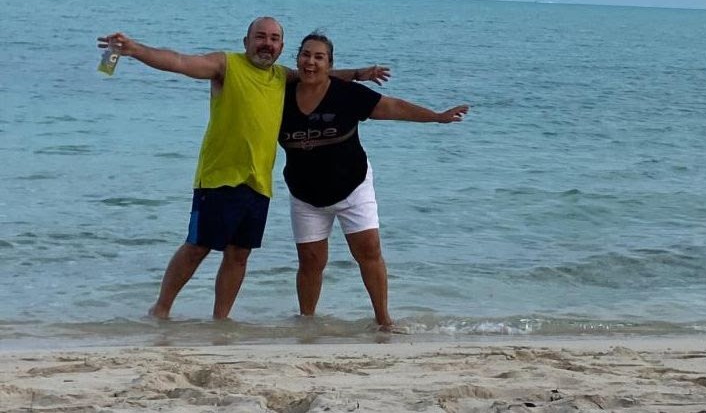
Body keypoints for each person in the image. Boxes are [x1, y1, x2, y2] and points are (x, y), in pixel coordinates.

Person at [96, 18, 389, 320]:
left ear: (281, 47)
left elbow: (317, 76)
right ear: (246, 41)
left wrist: (359, 74)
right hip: (219, 177)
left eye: (274, 39)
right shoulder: (226, 65)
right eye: (260, 37)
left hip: (258, 182)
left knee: (239, 254)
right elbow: (180, 61)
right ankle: (160, 310)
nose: (267, 43)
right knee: (198, 246)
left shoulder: (280, 76)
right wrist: (134, 49)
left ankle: (221, 319)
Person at [280, 31, 468, 330]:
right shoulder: (281, 94)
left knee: (368, 250)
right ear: (297, 59)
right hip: (305, 194)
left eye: (319, 57)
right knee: (311, 260)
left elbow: (394, 107)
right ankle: (307, 323)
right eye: (305, 55)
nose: (311, 62)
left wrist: (437, 117)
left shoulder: (346, 93)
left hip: (352, 186)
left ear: (329, 64)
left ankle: (383, 320)